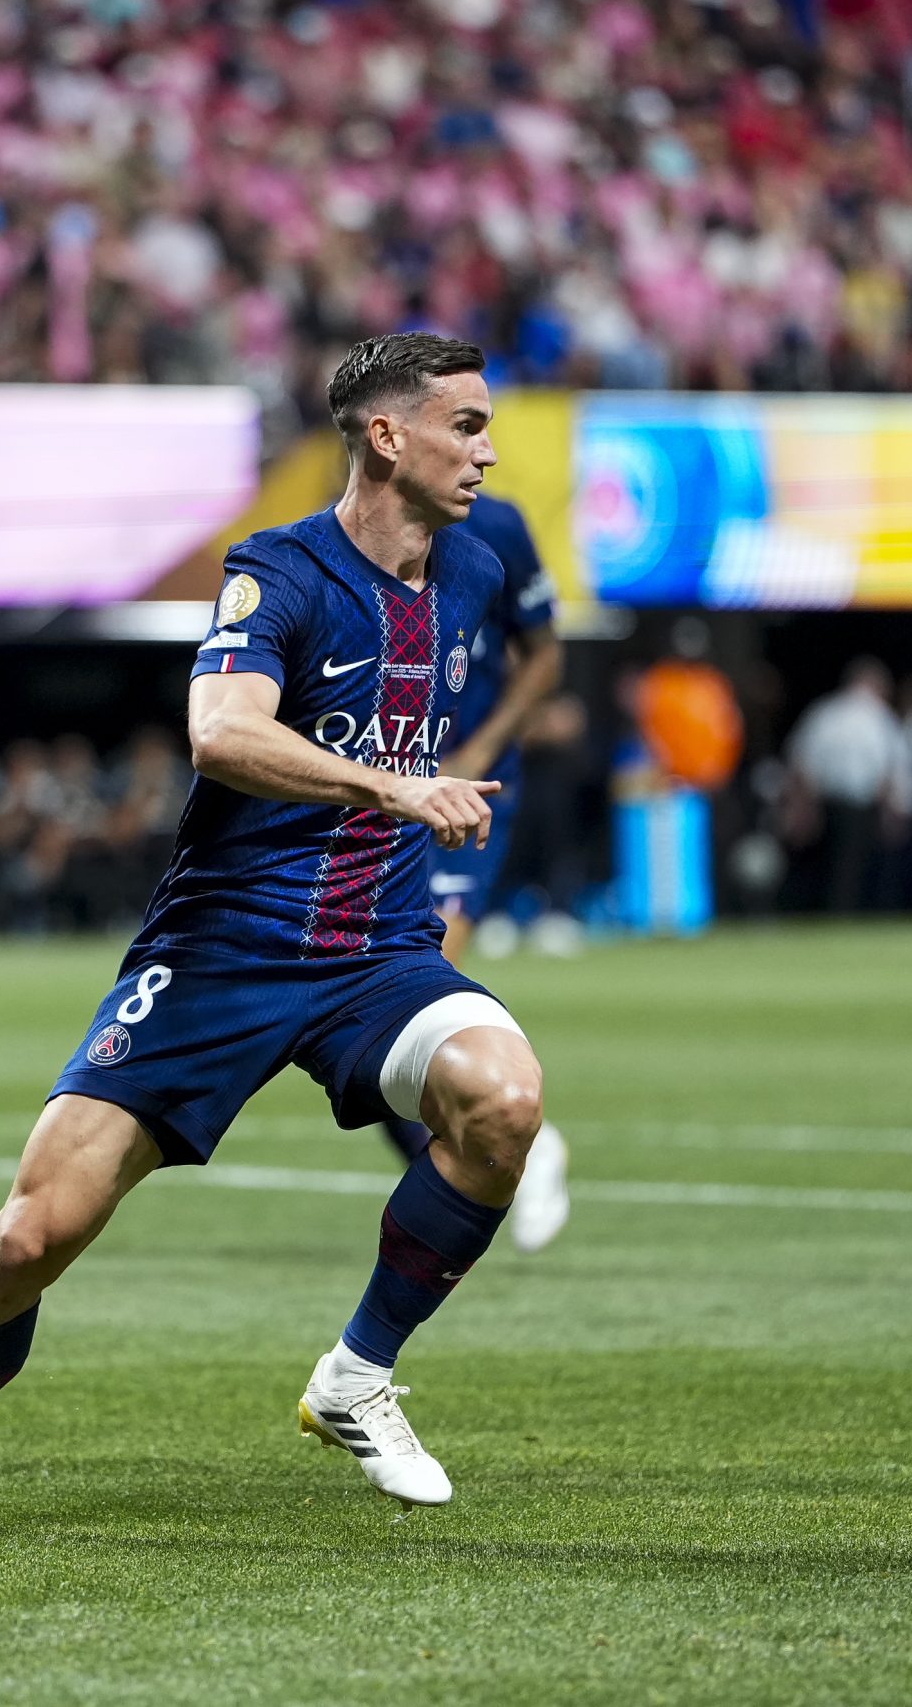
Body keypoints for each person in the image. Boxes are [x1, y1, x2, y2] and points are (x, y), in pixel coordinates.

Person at [0, 333, 546, 1540]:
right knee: (31, 1233)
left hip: (377, 950)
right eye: (467, 425)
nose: (487, 451)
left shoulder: (477, 570)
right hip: (223, 947)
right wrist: (390, 789)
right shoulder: (275, 571)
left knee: (504, 1099)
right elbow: (222, 733)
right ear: (386, 435)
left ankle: (356, 1376)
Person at [386, 491, 569, 1253]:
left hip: (470, 794)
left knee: (407, 995)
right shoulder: (342, 533)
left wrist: (482, 749)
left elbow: (546, 654)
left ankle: (510, 1145)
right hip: (380, 793)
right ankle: (506, 1153)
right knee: (373, 1037)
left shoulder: (495, 526)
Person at [784, 658, 909, 914]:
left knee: (827, 868)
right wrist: (893, 811)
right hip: (860, 806)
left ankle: (827, 914)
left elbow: (800, 763)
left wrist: (803, 808)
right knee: (853, 869)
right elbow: (890, 769)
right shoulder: (879, 717)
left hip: (826, 803)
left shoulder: (824, 712)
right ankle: (846, 914)